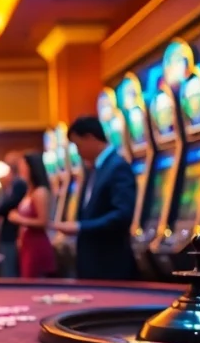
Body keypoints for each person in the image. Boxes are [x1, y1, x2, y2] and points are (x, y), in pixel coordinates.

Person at [51, 115, 137, 280]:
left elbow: (122, 214)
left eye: (78, 145)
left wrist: (81, 227)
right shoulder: (98, 167)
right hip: (95, 262)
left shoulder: (117, 166)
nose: (77, 151)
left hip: (110, 264)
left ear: (90, 138)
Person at [7, 152, 58, 278]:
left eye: (23, 165)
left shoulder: (40, 192)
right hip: (27, 243)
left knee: (34, 283)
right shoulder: (29, 191)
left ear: (32, 167)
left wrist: (19, 219)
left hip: (37, 244)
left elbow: (43, 222)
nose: (20, 169)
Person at [0, 151, 27, 277]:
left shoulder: (19, 184)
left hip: (12, 232)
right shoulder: (12, 184)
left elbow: (7, 205)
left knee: (9, 271)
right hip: (8, 233)